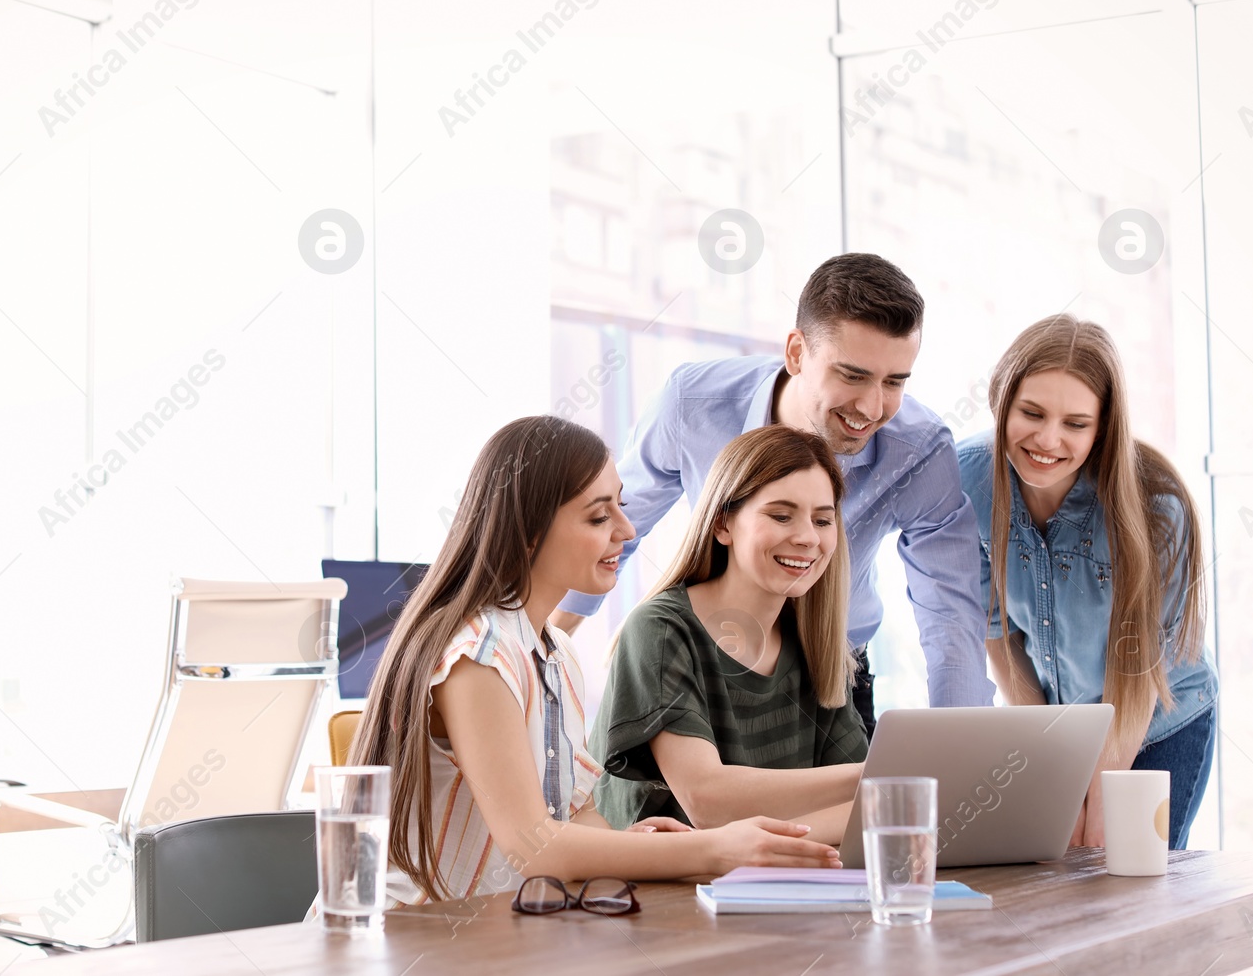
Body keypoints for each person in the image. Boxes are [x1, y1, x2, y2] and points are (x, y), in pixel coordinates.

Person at [351, 415, 844, 906]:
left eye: (621, 508)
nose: (627, 530)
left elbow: (579, 814)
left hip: (506, 932)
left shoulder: (555, 650)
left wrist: (634, 845)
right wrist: (713, 848)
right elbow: (533, 847)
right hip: (411, 938)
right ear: (528, 531)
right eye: (598, 517)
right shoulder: (479, 656)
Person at [552, 252, 994, 730]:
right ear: (797, 353)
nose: (872, 407)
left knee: (852, 805)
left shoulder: (919, 448)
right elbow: (617, 530)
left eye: (894, 382)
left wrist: (960, 750)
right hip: (708, 668)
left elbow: (950, 610)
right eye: (853, 375)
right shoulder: (692, 404)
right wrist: (545, 646)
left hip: (832, 673)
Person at [956, 315, 1217, 849]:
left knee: (1116, 862)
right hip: (1057, 722)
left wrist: (1097, 797)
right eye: (1031, 413)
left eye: (1076, 423)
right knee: (1060, 864)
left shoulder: (1158, 511)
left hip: (1155, 719)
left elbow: (1137, 675)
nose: (1048, 439)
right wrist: (1056, 770)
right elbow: (998, 636)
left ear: (1103, 429)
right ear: (1001, 401)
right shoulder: (969, 482)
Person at [590, 426, 867, 841]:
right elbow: (707, 800)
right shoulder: (661, 630)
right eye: (781, 515)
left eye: (822, 520)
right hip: (649, 897)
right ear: (723, 525)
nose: (809, 537)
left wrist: (745, 844)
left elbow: (869, 810)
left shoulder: (817, 644)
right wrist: (876, 775)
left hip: (768, 882)